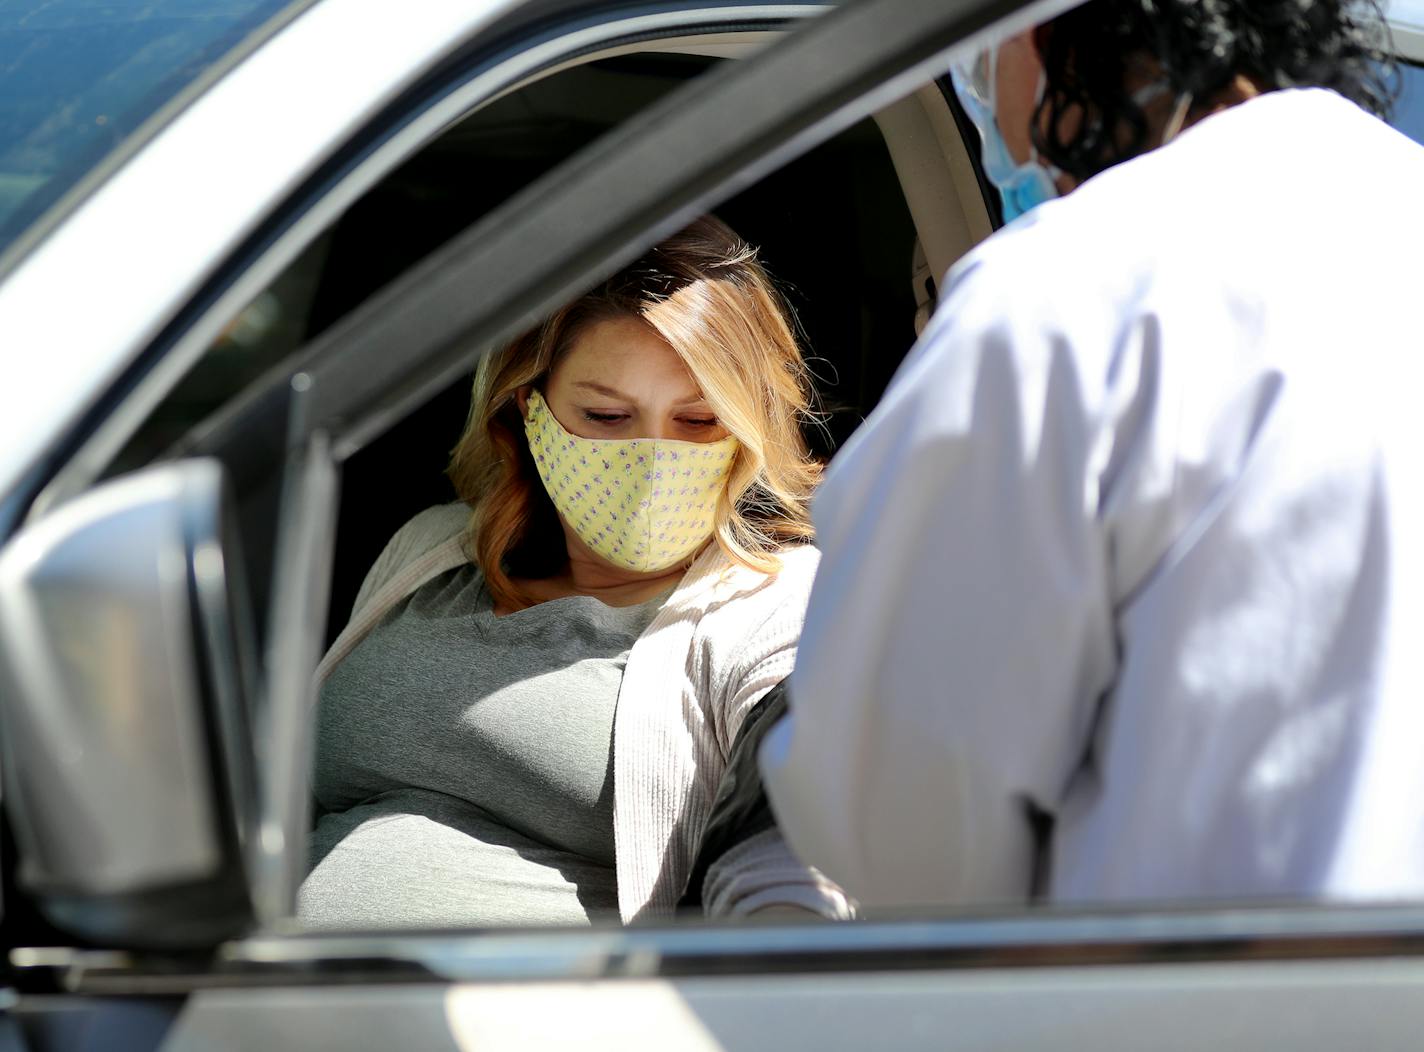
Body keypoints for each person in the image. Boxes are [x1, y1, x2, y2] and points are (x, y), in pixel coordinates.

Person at [761, 0, 1424, 910]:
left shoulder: (1062, 298)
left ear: (1046, 34)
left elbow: (900, 834)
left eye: (977, 60)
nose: (986, 108)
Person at [300, 216, 852, 929]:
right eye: (607, 415)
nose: (654, 457)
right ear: (528, 410)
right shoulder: (428, 554)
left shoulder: (780, 608)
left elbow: (793, 847)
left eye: (697, 421)